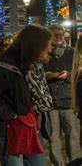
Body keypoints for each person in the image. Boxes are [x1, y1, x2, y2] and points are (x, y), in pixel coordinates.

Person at [0, 25, 53, 166]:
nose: (49, 50)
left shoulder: (35, 65)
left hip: (33, 127)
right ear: (34, 45)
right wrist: (13, 115)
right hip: (10, 130)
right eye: (46, 45)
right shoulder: (5, 65)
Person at [44, 24, 80, 166]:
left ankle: (75, 163)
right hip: (51, 101)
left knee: (73, 136)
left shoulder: (72, 52)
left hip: (68, 101)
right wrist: (47, 76)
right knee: (54, 138)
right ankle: (57, 164)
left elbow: (79, 73)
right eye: (55, 34)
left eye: (60, 34)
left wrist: (69, 75)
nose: (58, 37)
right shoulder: (45, 54)